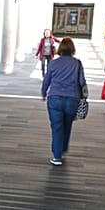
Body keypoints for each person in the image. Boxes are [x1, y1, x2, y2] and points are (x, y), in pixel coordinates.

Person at [41, 37, 87, 166]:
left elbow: (47, 80)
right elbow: (82, 82)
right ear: (72, 49)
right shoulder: (77, 63)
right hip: (72, 99)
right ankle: (62, 149)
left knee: (57, 127)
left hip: (55, 98)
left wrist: (44, 93)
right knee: (67, 125)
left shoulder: (53, 63)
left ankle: (57, 156)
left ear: (60, 48)